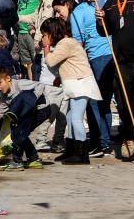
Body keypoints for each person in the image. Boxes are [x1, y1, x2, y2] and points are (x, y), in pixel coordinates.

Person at [0, 65, 63, 171]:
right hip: (28, 112)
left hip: (41, 109)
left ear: (8, 78)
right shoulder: (5, 97)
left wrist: (32, 98)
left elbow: (40, 85)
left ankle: (17, 161)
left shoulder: (20, 84)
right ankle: (33, 159)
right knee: (21, 132)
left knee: (18, 131)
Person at [41, 16, 100, 165]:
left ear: (52, 32)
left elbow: (51, 61)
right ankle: (72, 150)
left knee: (75, 118)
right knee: (69, 117)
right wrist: (60, 77)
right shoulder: (66, 43)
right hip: (75, 84)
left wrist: (46, 48)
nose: (43, 38)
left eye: (45, 35)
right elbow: (69, 64)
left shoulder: (65, 43)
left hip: (81, 84)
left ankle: (81, 154)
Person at [95, 0, 134, 161]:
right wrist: (100, 20)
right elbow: (105, 32)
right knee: (123, 103)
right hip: (122, 61)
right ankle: (129, 136)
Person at [72, 0, 115, 158]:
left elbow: (78, 43)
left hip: (99, 57)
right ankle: (104, 142)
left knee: (96, 102)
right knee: (105, 102)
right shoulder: (108, 2)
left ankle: (100, 141)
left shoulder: (81, 10)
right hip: (111, 55)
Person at [13, 0, 41, 80]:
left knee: (36, 62)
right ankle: (31, 86)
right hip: (21, 31)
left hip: (32, 31)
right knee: (27, 63)